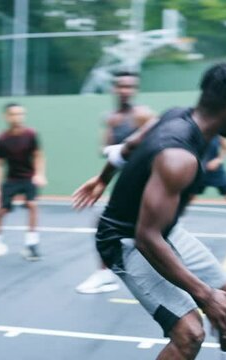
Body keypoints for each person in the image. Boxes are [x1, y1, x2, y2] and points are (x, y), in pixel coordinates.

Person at [74, 62, 226, 359]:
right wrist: (205, 295)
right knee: (190, 334)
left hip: (163, 230)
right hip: (124, 240)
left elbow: (129, 146)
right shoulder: (178, 158)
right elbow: (146, 238)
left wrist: (102, 178)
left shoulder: (175, 114)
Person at [76, 71, 155, 294]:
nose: (125, 90)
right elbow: (106, 149)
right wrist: (112, 150)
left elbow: (154, 145)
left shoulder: (143, 115)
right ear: (114, 89)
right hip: (126, 179)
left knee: (149, 231)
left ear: (135, 90)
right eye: (121, 86)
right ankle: (105, 274)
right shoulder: (111, 118)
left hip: (148, 179)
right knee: (107, 222)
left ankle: (106, 274)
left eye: (130, 86)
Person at [0, 103, 47, 261]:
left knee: (32, 206)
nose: (18, 117)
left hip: (28, 177)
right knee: (1, 211)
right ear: (6, 116)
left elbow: (38, 155)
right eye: (14, 114)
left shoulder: (31, 134)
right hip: (11, 179)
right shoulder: (1, 139)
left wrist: (39, 174)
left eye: (21, 114)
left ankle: (31, 245)